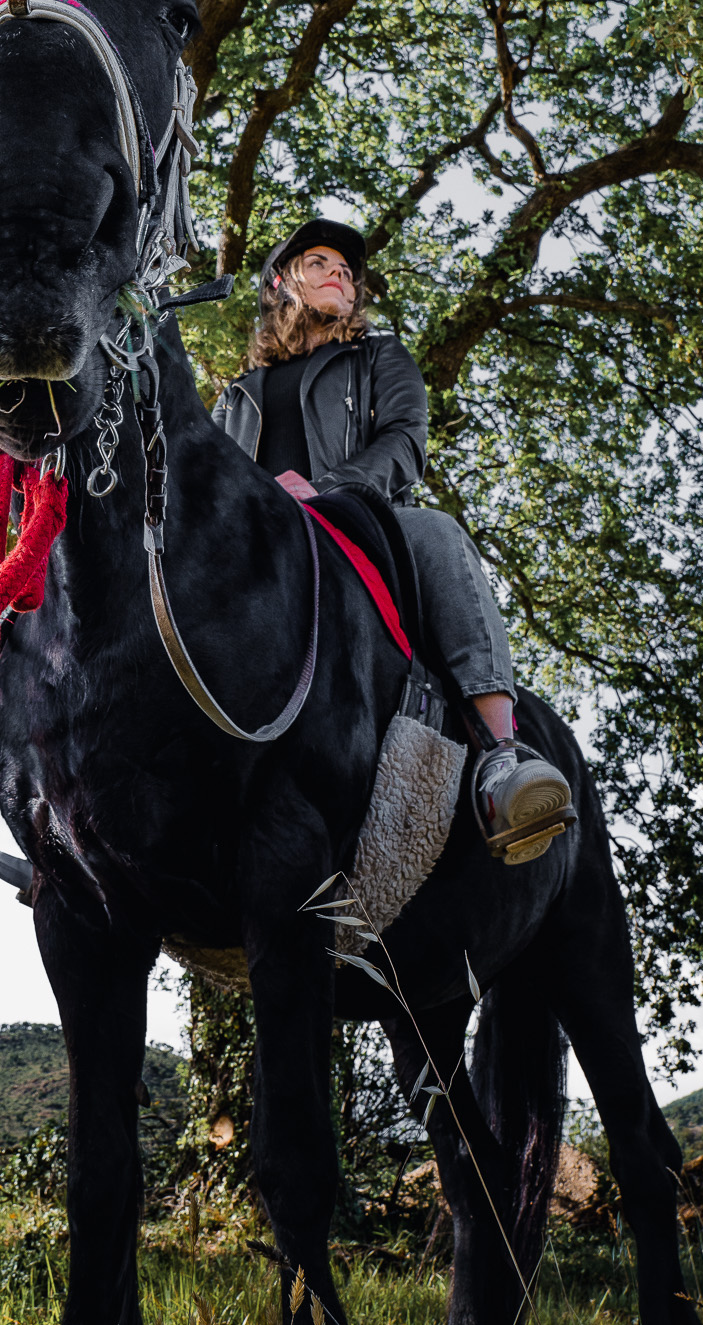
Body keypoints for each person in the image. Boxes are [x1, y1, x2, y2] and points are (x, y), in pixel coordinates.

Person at [212, 218, 572, 863]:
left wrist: (330, 489)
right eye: (321, 263)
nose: (340, 278)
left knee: (434, 529)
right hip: (249, 538)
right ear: (279, 284)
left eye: (348, 274)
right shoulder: (234, 395)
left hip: (357, 515)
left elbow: (405, 439)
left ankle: (501, 757)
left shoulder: (380, 354)